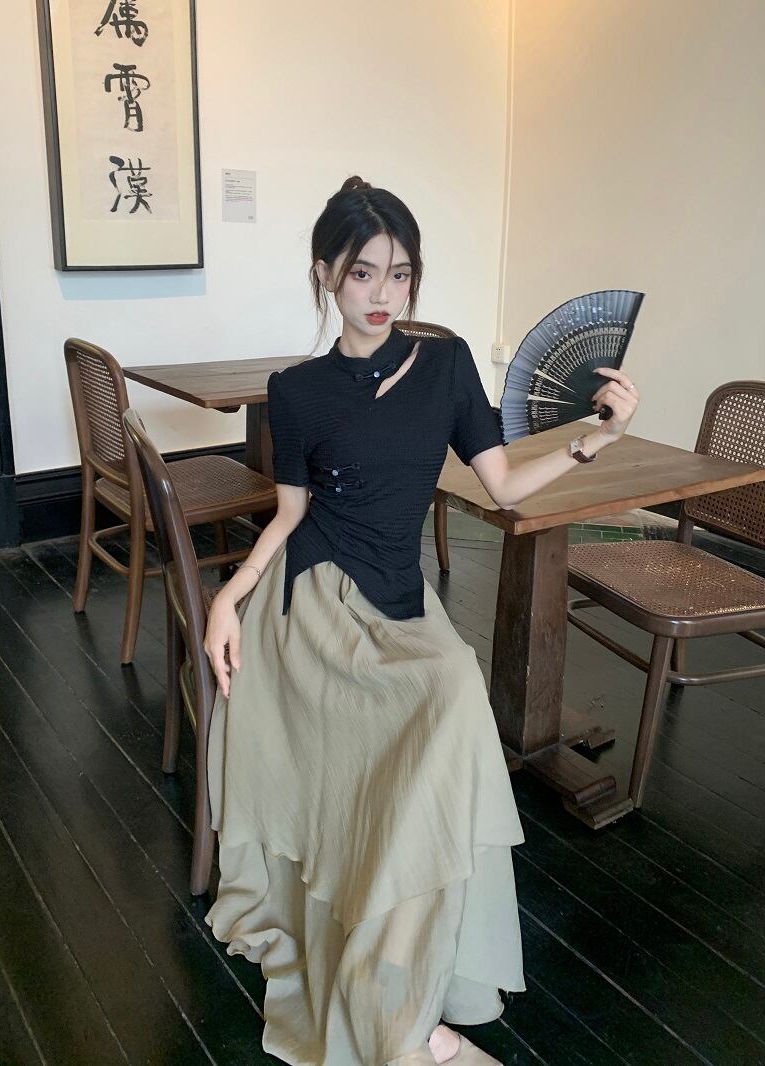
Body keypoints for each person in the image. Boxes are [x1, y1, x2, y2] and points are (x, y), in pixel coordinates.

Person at [203, 177, 640, 1066]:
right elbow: (289, 515)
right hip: (316, 597)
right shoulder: (296, 389)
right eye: (362, 272)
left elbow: (503, 486)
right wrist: (228, 595)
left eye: (399, 274)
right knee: (442, 702)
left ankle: (398, 985)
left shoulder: (446, 367)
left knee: (448, 699)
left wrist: (596, 439)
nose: (382, 293)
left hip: (403, 595)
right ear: (325, 274)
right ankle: (404, 1017)